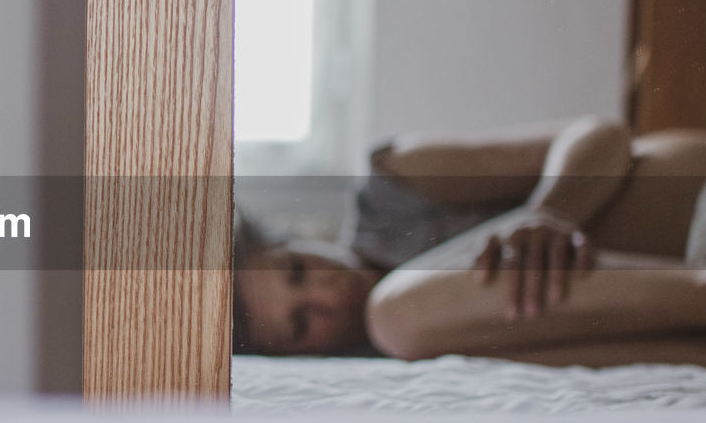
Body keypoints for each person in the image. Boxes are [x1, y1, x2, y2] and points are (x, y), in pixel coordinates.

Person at [233, 116, 706, 366]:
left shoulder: (394, 185)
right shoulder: (410, 351)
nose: (324, 296)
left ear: (293, 236)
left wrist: (549, 212)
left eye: (297, 268)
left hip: (694, 204)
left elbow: (600, 132)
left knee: (395, 317)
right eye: (300, 324)